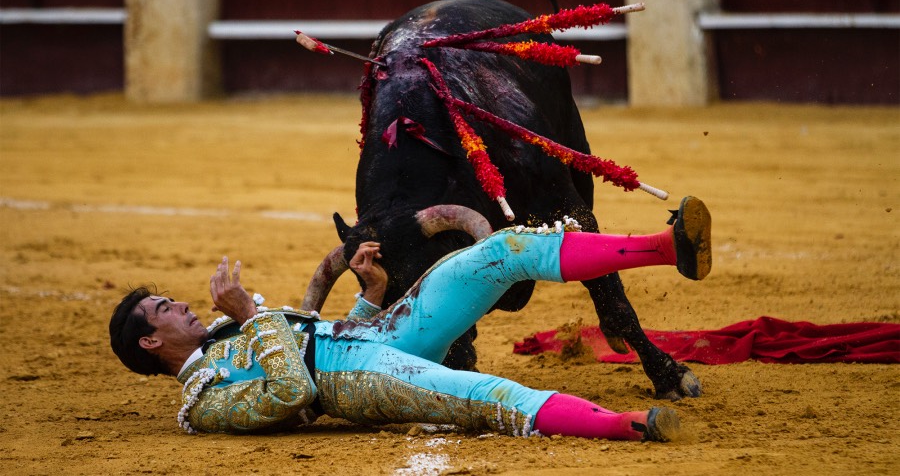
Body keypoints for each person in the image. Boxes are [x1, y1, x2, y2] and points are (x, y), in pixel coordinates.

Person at [109, 196, 712, 441]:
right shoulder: (204, 405)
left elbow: (316, 336)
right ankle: (628, 426)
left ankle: (667, 246)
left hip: (376, 332)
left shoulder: (226, 337)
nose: (181, 305)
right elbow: (295, 391)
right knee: (486, 394)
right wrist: (251, 313)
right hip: (359, 382)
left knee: (499, 251)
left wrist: (370, 298)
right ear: (151, 341)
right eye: (165, 309)